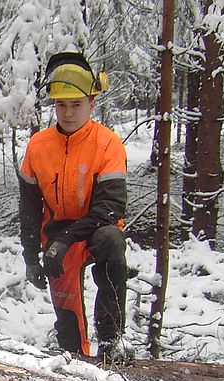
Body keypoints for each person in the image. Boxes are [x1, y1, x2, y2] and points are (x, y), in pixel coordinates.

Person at [18, 51, 132, 361]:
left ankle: (110, 341)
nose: (68, 113)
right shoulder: (38, 146)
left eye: (76, 105)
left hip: (96, 230)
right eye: (61, 105)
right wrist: (32, 256)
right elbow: (28, 208)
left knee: (111, 241)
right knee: (68, 322)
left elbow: (111, 207)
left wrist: (68, 238)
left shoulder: (107, 143)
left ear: (92, 103)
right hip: (56, 236)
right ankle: (74, 360)